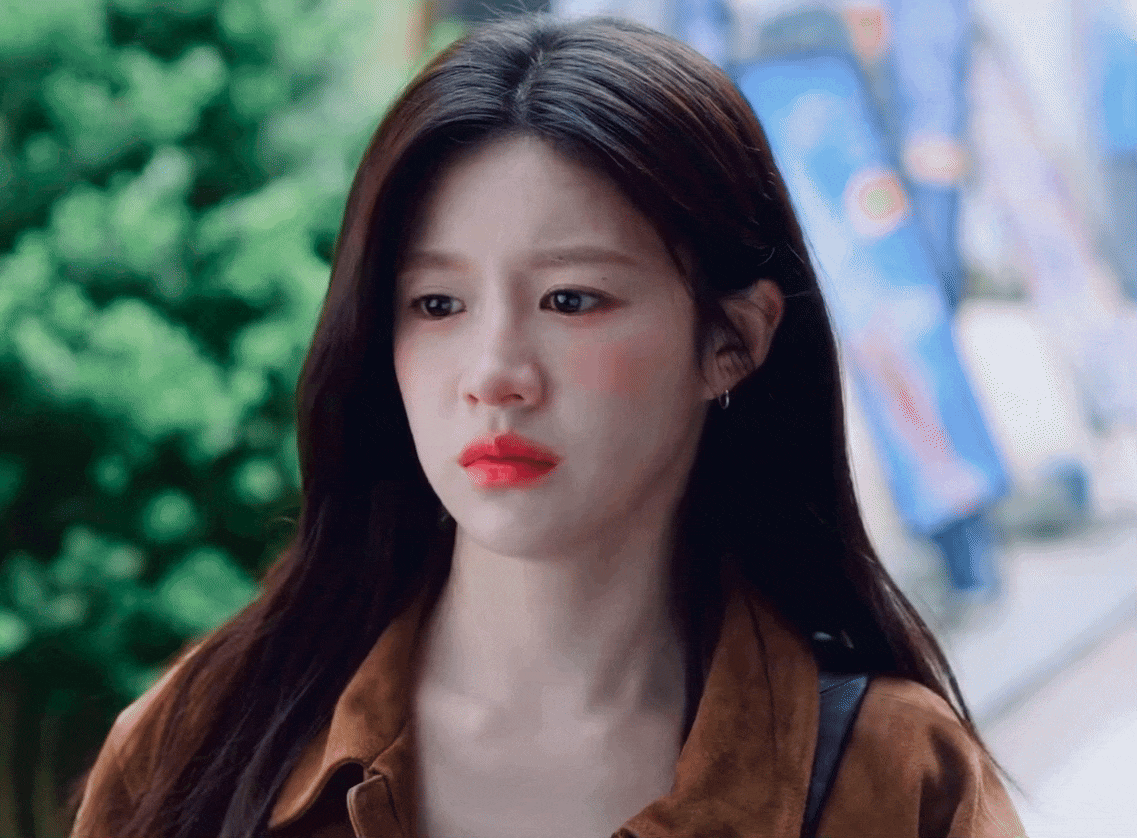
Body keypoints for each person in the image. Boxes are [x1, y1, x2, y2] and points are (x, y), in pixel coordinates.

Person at [67, 13, 1026, 838]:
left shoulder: (894, 778)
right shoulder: (199, 745)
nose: (495, 375)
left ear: (732, 340)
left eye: (571, 299)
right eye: (437, 305)